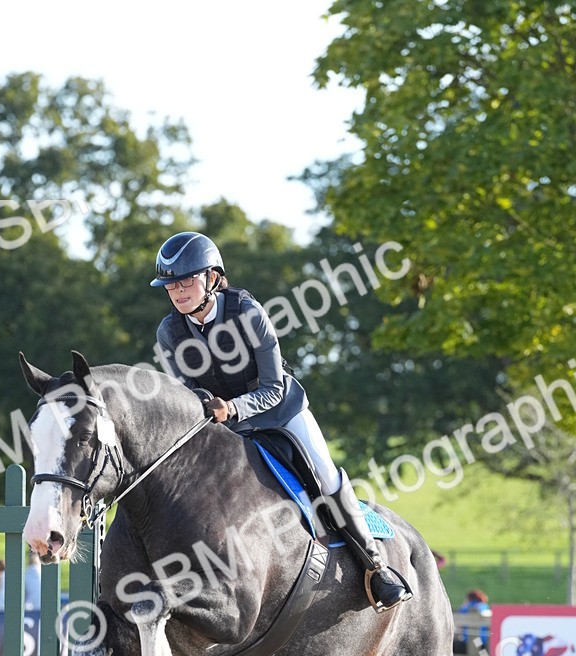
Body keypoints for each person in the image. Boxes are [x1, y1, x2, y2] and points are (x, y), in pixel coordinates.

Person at [150, 231, 412, 612]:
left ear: (212, 278)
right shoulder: (169, 331)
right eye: (171, 284)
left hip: (281, 412)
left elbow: (273, 387)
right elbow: (188, 391)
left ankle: (376, 567)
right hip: (227, 426)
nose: (178, 291)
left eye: (187, 280)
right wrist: (207, 406)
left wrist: (232, 409)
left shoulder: (247, 312)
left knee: (325, 477)